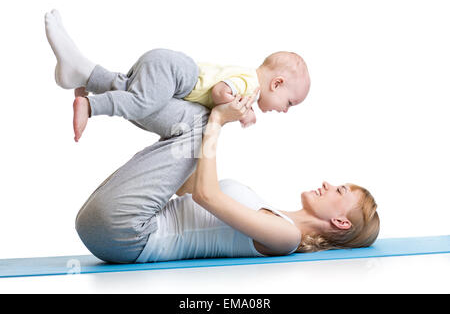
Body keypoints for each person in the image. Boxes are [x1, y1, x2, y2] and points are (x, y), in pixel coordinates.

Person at [75, 90, 380, 263]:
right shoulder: (269, 209)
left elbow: (206, 196)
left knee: (199, 120)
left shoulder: (286, 237)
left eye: (339, 191)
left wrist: (218, 121)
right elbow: (185, 186)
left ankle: (102, 93)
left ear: (341, 223)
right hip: (115, 225)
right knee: (192, 120)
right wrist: (200, 127)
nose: (328, 184)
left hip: (129, 234)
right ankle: (104, 89)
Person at [44, 9, 311, 142]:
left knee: (130, 91)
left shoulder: (249, 82)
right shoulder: (250, 85)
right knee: (142, 104)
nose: (286, 111)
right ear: (277, 84)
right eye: (290, 103)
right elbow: (219, 91)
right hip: (175, 72)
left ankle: (83, 75)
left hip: (169, 71)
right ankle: (90, 105)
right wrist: (240, 109)